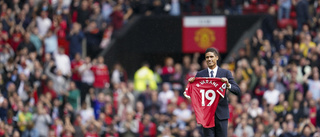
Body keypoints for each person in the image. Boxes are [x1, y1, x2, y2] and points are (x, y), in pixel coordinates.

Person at [188, 48, 240, 137]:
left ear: (217, 57)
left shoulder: (225, 73)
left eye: (211, 57)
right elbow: (195, 95)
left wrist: (228, 84)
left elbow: (237, 90)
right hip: (207, 116)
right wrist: (191, 85)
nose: (209, 59)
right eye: (207, 57)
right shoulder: (200, 75)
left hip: (221, 114)